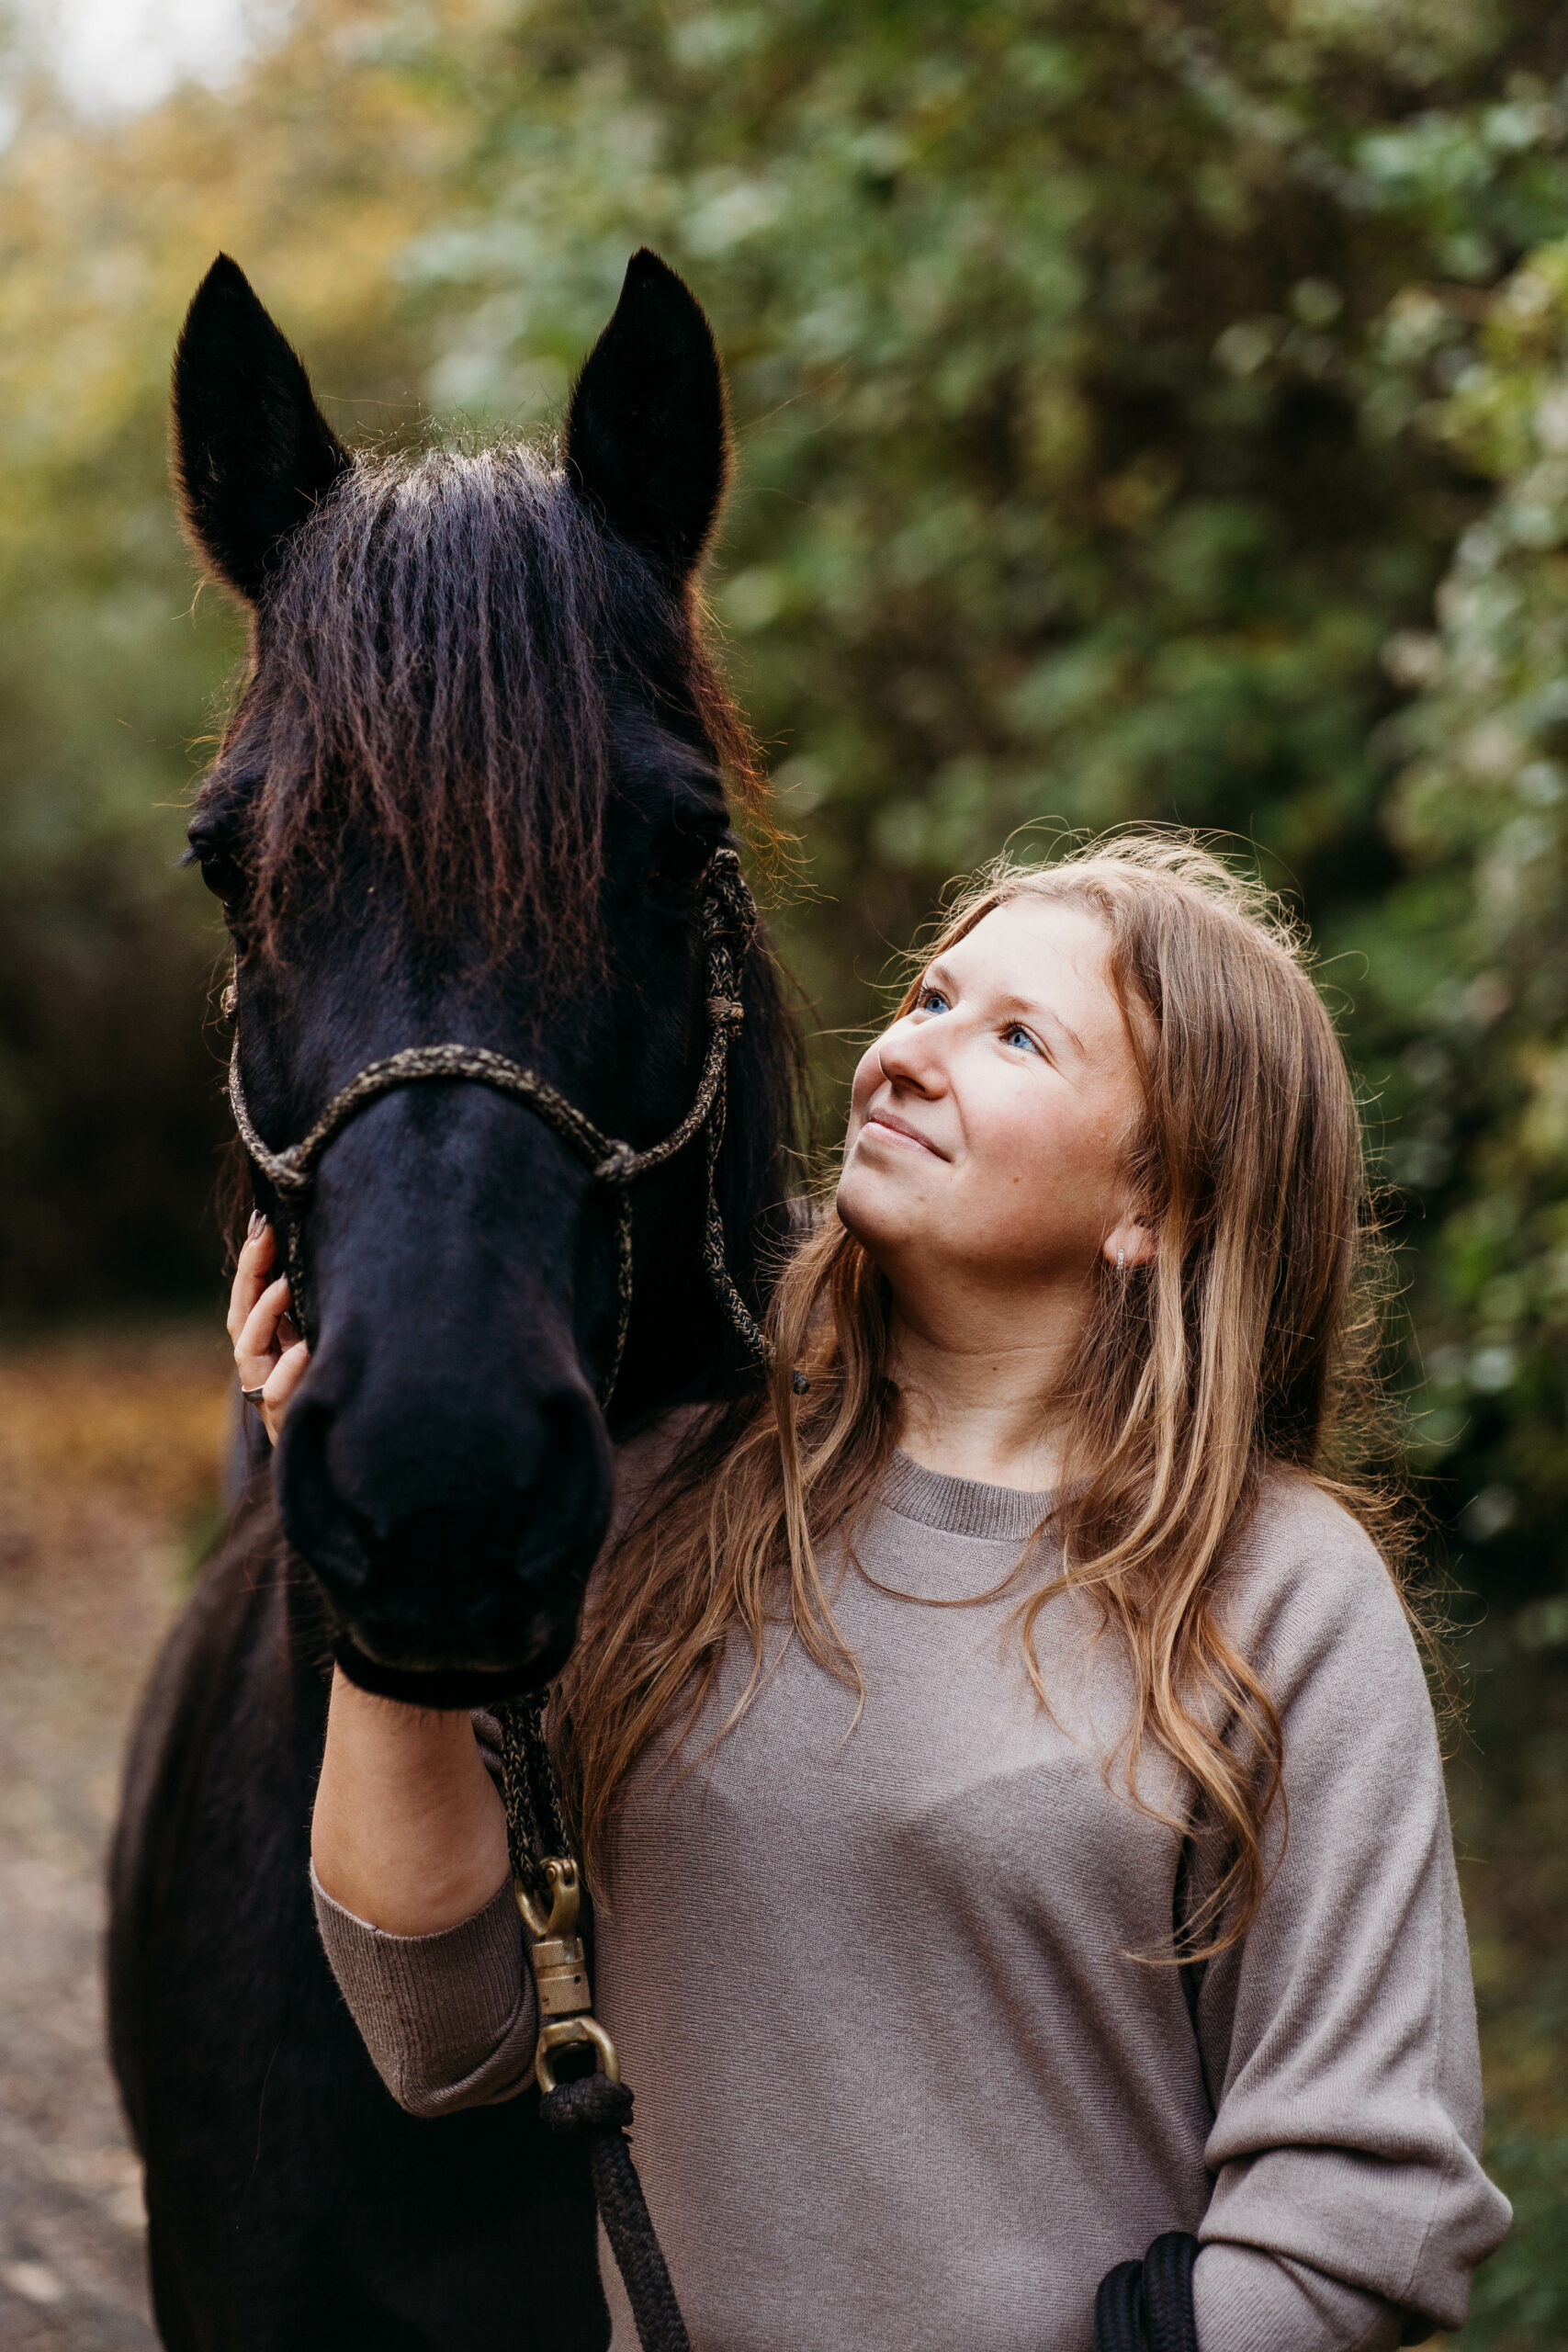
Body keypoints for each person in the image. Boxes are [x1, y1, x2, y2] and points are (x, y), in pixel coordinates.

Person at [231, 833, 1510, 2352]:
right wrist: (382, 1546)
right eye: (929, 995)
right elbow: (440, 2037)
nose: (909, 1051)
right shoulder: (671, 1498)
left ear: (1156, 1205)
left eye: (1016, 1036)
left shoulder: (1280, 1592)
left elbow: (1370, 2213)